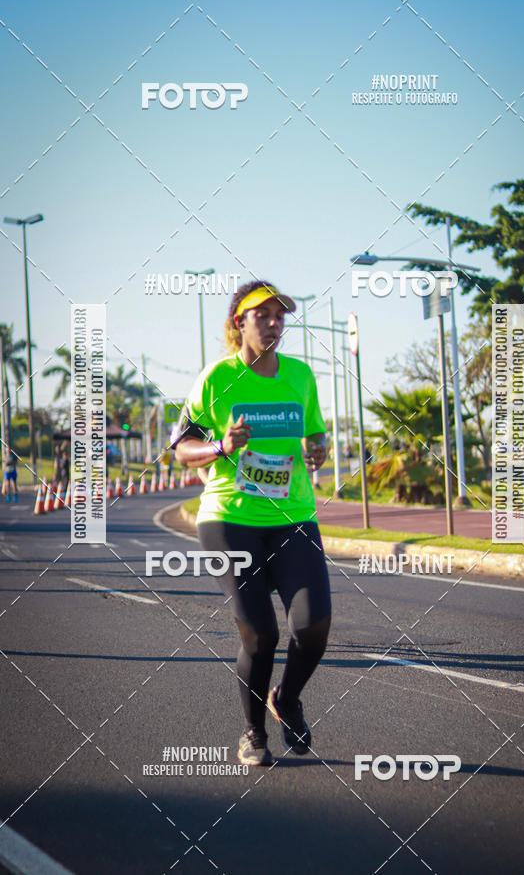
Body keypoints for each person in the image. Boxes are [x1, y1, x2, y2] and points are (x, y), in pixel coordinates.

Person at [172, 281, 331, 766]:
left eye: (280, 315)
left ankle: (286, 699)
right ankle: (253, 733)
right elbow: (182, 450)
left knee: (314, 626)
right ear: (239, 323)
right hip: (230, 519)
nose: (273, 322)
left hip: (293, 516)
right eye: (262, 315)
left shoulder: (300, 376)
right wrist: (221, 446)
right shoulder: (217, 378)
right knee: (261, 634)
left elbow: (316, 434)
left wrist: (318, 450)